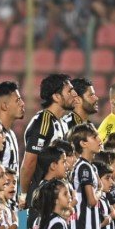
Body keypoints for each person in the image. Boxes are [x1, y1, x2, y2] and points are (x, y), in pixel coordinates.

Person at [20, 74, 76, 210]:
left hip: (54, 195)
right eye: (69, 91)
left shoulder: (60, 122)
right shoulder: (43, 123)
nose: (74, 94)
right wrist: (24, 194)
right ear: (56, 97)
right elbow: (29, 163)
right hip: (41, 196)